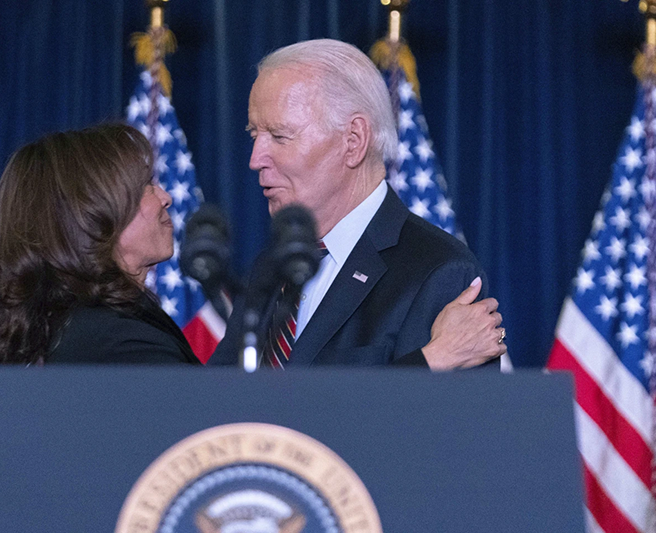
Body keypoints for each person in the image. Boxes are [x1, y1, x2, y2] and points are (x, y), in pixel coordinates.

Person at [209, 39, 506, 369]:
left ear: (353, 141)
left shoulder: (439, 272)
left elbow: (443, 418)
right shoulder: (269, 269)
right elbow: (218, 409)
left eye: (279, 136)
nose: (255, 159)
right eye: (254, 136)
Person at [0, 123, 200, 366]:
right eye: (145, 187)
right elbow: (209, 403)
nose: (165, 198)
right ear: (90, 217)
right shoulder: (118, 345)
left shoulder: (76, 329)